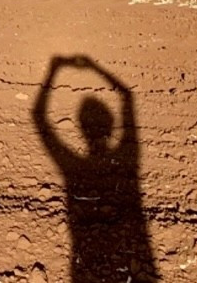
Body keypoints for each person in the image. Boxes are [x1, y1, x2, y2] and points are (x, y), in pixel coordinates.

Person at [32, 55, 159, 282]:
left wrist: (54, 70)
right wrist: (95, 67)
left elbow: (39, 119)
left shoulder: (71, 167)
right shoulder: (127, 159)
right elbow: (127, 97)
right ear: (110, 128)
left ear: (81, 129)